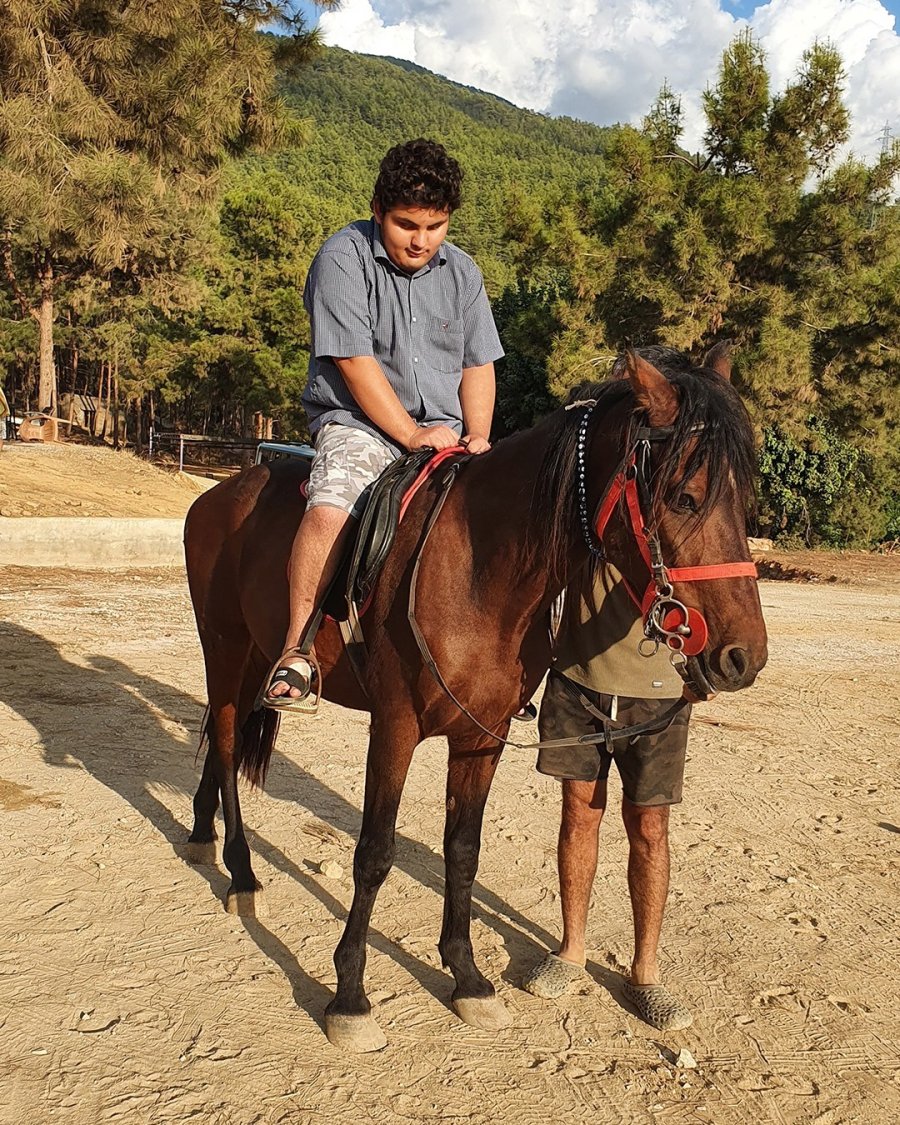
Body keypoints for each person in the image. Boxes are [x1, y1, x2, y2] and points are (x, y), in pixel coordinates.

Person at [263, 139, 503, 709]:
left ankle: (497, 665)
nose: (421, 240)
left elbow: (478, 364)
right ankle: (296, 648)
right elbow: (354, 361)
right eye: (406, 225)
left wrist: (480, 435)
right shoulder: (342, 259)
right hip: (359, 425)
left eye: (435, 226)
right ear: (378, 210)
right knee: (330, 507)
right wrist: (410, 435)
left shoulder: (463, 273)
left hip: (447, 432)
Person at [522, 560, 695, 1031]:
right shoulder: (582, 500)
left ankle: (645, 974)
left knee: (649, 828)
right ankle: (572, 949)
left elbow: (717, 583)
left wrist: (707, 667)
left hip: (660, 697)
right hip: (577, 687)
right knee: (579, 815)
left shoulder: (679, 518)